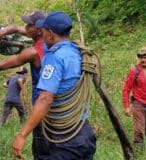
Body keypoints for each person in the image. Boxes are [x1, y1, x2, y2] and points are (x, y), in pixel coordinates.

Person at [12, 11, 97, 160]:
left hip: (65, 138)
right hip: (84, 131)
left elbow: (45, 98)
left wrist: (22, 134)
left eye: (43, 31)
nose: (42, 35)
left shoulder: (54, 56)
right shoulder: (77, 51)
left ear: (50, 33)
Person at [0, 11, 50, 159]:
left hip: (42, 105)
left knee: (43, 148)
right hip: (55, 104)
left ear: (38, 30)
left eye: (29, 25)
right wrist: (2, 32)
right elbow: (16, 28)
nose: (26, 27)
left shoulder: (33, 52)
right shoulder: (50, 39)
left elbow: (1, 66)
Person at [122, 47, 146, 150]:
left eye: (145, 57)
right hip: (139, 104)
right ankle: (138, 153)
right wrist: (126, 107)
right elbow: (126, 89)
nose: (142, 60)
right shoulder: (135, 71)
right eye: (141, 57)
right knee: (139, 130)